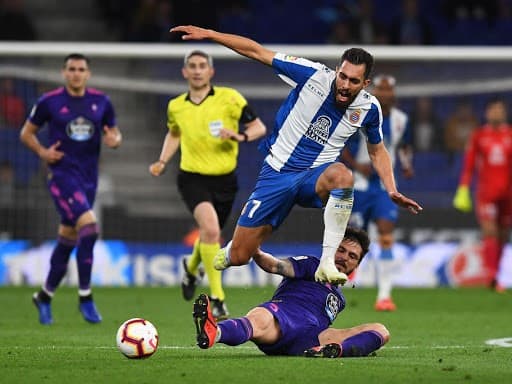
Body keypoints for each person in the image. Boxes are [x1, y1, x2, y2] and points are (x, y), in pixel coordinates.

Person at [169, 25, 422, 285]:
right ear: (337, 71)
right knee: (239, 256)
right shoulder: (311, 75)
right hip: (277, 173)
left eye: (354, 81)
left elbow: (377, 149)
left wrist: (391, 188)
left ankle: (326, 263)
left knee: (343, 176)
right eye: (342, 76)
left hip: (315, 176)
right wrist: (212, 35)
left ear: (365, 83)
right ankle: (237, 247)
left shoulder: (369, 108)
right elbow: (257, 51)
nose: (345, 85)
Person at [149, 50, 267, 320]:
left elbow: (259, 128)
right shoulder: (176, 105)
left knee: (208, 236)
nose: (198, 70)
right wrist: (162, 160)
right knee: (211, 231)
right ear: (185, 72)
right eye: (192, 66)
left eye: (203, 66)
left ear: (211, 71)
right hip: (192, 178)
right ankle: (218, 300)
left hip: (226, 181)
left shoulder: (230, 98)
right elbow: (174, 133)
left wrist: (237, 135)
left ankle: (191, 270)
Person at [19, 53, 122, 325]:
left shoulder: (102, 102)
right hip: (61, 175)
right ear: (64, 73)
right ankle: (86, 297)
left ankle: (44, 296)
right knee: (89, 228)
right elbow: (25, 133)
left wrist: (115, 139)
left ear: (88, 74)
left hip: (89, 179)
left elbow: (114, 132)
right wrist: (42, 152)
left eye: (81, 69)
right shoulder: (49, 102)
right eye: (71, 69)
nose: (76, 73)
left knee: (68, 238)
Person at [192, 226, 390, 358]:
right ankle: (215, 332)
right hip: (284, 318)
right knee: (260, 318)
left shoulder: (340, 299)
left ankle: (337, 351)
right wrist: (256, 252)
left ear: (356, 265)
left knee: (381, 330)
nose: (344, 257)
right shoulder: (313, 264)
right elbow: (277, 266)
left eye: (352, 256)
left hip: (312, 340)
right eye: (341, 250)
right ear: (331, 248)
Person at [341, 74, 413, 311]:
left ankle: (384, 295)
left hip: (384, 188)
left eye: (388, 91)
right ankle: (341, 280)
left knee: (385, 236)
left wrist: (406, 164)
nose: (384, 94)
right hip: (359, 184)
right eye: (380, 90)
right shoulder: (360, 112)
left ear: (393, 95)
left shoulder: (402, 120)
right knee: (352, 237)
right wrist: (355, 165)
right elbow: (342, 143)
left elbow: (403, 146)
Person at [453, 97, 512, 293]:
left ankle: (495, 272)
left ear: (504, 113)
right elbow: (469, 165)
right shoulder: (479, 136)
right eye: (493, 110)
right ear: (487, 113)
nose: (496, 113)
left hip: (508, 194)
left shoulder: (510, 135)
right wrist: (463, 188)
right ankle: (492, 276)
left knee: (503, 235)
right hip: (486, 193)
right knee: (490, 232)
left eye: (499, 110)